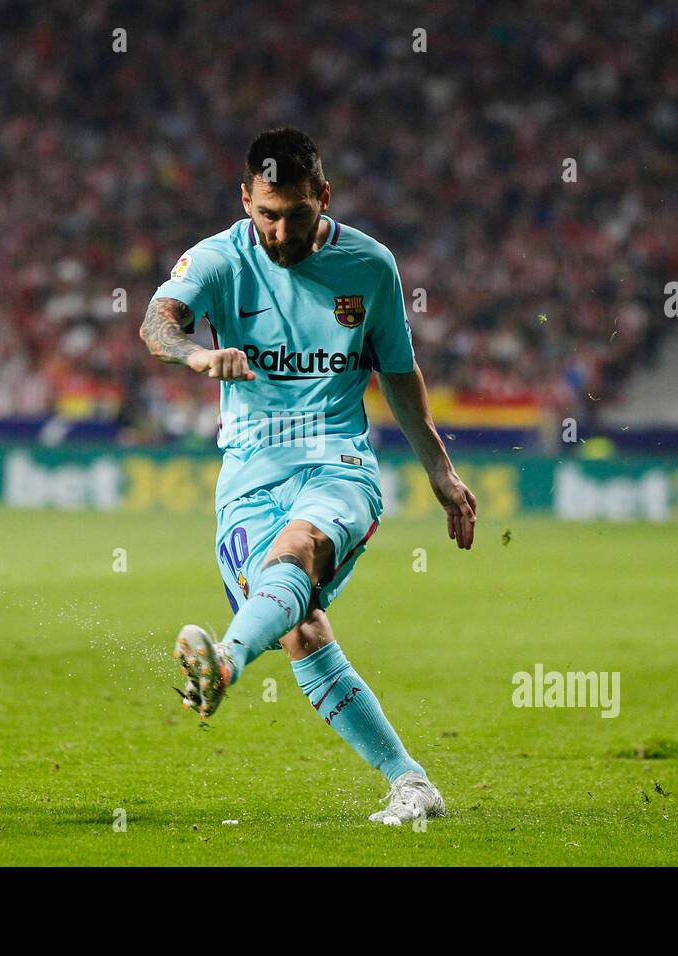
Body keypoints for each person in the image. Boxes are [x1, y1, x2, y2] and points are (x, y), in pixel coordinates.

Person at [139, 127, 476, 824]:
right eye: (267, 213)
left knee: (299, 551)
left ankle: (226, 662)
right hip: (247, 476)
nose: (281, 229)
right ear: (245, 200)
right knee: (302, 629)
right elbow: (157, 321)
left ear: (324, 196)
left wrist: (440, 471)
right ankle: (411, 783)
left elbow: (400, 376)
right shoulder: (219, 259)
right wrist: (196, 357)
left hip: (338, 462)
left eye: (297, 212)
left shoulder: (369, 267)